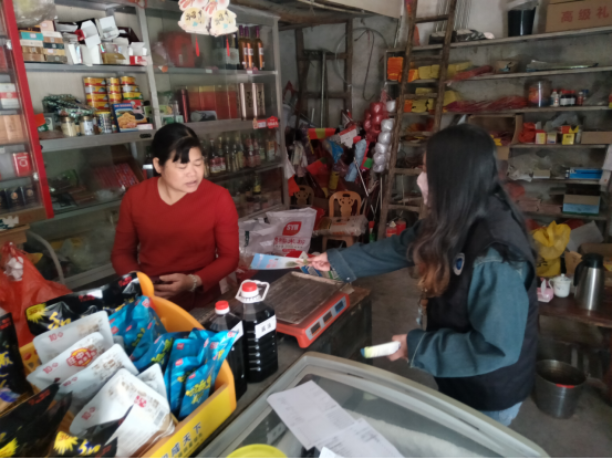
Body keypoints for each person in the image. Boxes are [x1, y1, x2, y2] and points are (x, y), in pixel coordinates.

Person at [310, 124, 538, 427]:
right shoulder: (458, 211)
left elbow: (494, 348)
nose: (420, 180)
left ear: (453, 177)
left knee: (465, 444)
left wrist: (420, 348)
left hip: (487, 389)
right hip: (458, 374)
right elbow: (404, 245)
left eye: (428, 171)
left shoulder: (495, 253)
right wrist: (338, 260)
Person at [111, 123, 239, 310]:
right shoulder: (136, 197)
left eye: (198, 163)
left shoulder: (218, 197)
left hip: (203, 301)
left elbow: (230, 257)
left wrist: (192, 281)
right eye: (182, 165)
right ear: (158, 165)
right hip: (151, 301)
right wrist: (142, 284)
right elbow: (121, 253)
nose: (193, 173)